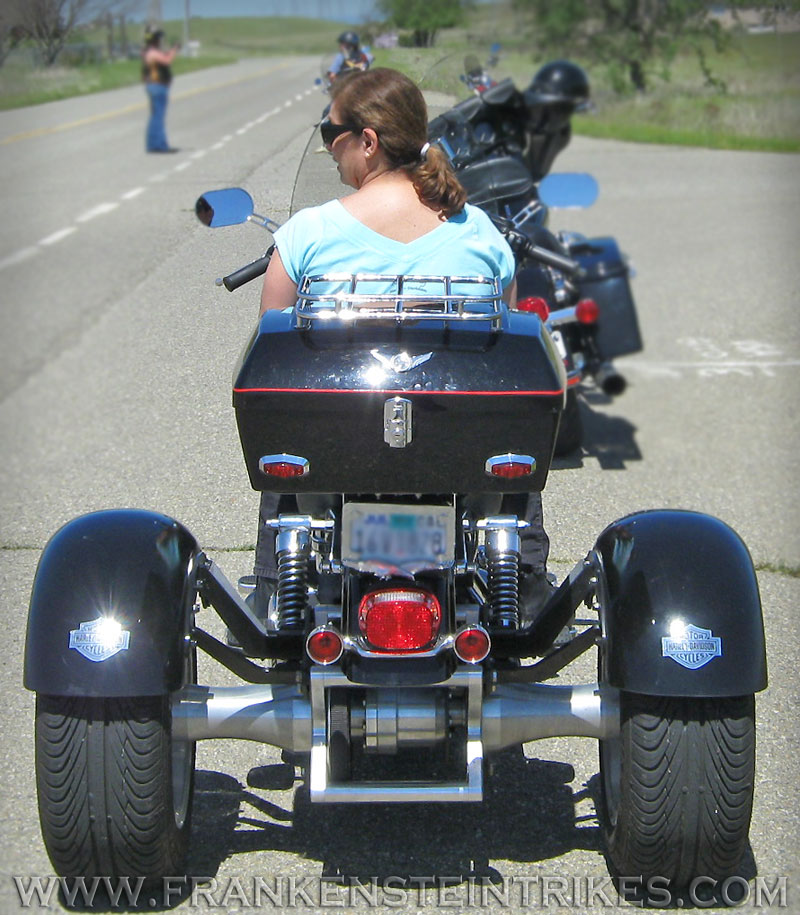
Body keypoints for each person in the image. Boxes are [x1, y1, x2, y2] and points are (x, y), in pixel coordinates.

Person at [250, 67, 551, 633]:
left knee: (287, 437)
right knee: (509, 439)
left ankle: (276, 590)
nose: (329, 151)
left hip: (341, 441)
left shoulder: (307, 234)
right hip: (456, 445)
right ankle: (524, 584)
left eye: (330, 135)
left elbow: (275, 342)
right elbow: (506, 345)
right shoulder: (482, 234)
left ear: (366, 141)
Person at [141, 28, 179, 153]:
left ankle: (153, 145)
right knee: (158, 117)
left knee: (155, 116)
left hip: (156, 86)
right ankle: (160, 145)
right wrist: (174, 50)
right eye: (157, 39)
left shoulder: (150, 52)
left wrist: (170, 51)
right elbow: (167, 61)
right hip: (157, 86)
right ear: (153, 40)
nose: (159, 41)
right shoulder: (152, 52)